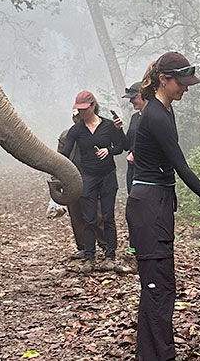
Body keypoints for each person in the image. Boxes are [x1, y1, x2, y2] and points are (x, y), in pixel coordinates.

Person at [126, 52, 200, 361]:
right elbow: (180, 165)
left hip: (158, 205)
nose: (185, 89)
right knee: (157, 287)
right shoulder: (156, 115)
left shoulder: (165, 110)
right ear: (163, 80)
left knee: (161, 286)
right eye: (181, 83)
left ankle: (154, 354)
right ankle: (159, 355)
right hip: (149, 208)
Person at [59, 90, 126, 274]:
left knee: (107, 217)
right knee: (88, 218)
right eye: (78, 109)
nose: (81, 112)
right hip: (87, 176)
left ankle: (110, 256)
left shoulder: (108, 125)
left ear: (93, 106)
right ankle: (89, 257)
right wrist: (54, 167)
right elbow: (65, 153)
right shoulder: (77, 130)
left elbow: (122, 147)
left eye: (84, 108)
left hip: (107, 175)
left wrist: (109, 149)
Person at [57, 109, 107, 260]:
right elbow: (59, 159)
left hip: (93, 176)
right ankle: (83, 247)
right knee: (76, 213)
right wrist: (57, 180)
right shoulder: (66, 136)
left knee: (98, 213)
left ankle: (105, 245)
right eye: (76, 116)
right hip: (72, 178)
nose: (78, 119)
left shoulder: (96, 132)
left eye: (81, 116)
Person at [122, 81, 145, 194]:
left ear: (142, 95)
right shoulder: (135, 117)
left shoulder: (153, 117)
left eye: (133, 97)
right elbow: (126, 145)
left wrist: (135, 153)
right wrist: (118, 130)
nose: (131, 101)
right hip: (132, 167)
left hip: (145, 168)